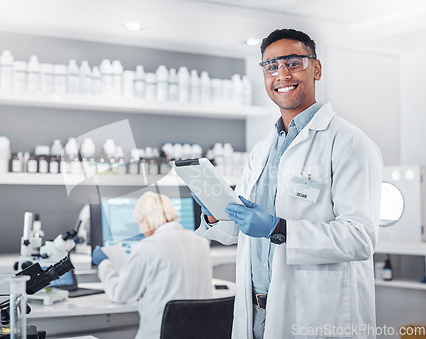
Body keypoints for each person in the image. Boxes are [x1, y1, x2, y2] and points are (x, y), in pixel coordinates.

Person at [194, 28, 382, 339]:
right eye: (271, 66)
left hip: (316, 314)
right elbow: (239, 230)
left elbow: (360, 238)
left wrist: (278, 229)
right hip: (257, 312)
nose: (282, 74)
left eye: (293, 62)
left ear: (316, 69)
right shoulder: (262, 150)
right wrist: (216, 213)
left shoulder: (349, 143)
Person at [92, 191, 213, 339]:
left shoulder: (147, 246)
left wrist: (104, 264)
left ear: (146, 221)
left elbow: (120, 294)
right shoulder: (201, 241)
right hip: (199, 334)